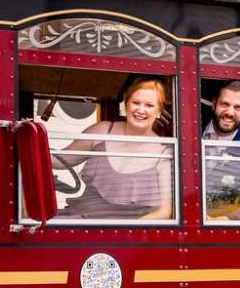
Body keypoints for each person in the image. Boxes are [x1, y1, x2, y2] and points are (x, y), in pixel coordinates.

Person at [59, 77, 174, 220]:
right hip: (77, 223)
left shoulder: (164, 153)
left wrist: (126, 232)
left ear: (159, 111)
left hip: (121, 236)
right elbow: (59, 161)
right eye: (135, 103)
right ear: (126, 104)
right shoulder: (102, 131)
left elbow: (164, 212)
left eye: (149, 105)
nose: (141, 110)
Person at [200, 81, 240, 219]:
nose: (229, 112)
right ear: (214, 104)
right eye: (225, 104)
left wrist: (226, 218)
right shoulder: (190, 122)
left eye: (238, 108)